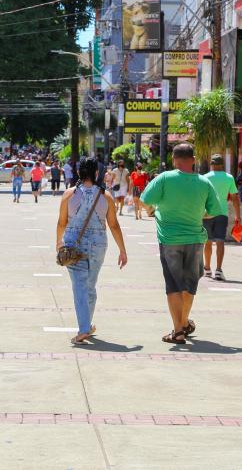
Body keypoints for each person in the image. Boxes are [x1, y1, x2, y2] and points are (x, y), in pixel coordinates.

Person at [140, 143, 225, 344]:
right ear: (194, 160)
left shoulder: (164, 178)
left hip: (169, 239)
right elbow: (214, 210)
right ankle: (184, 322)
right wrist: (198, 214)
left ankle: (178, 331)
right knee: (189, 286)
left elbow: (145, 199)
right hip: (195, 239)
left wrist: (154, 211)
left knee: (173, 286)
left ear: (174, 160)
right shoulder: (204, 183)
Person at [56, 157, 128, 345]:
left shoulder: (69, 195)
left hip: (73, 245)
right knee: (90, 284)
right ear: (97, 174)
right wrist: (122, 250)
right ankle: (87, 324)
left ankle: (84, 328)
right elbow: (113, 225)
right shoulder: (106, 196)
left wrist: (58, 243)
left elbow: (62, 222)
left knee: (79, 285)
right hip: (98, 245)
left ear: (79, 173)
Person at [203, 154, 241, 281]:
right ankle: (218, 270)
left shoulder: (204, 177)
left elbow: (201, 197)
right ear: (222, 165)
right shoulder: (229, 178)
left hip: (207, 213)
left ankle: (207, 269)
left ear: (211, 164)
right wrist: (238, 215)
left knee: (207, 241)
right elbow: (235, 198)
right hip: (222, 213)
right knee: (220, 241)